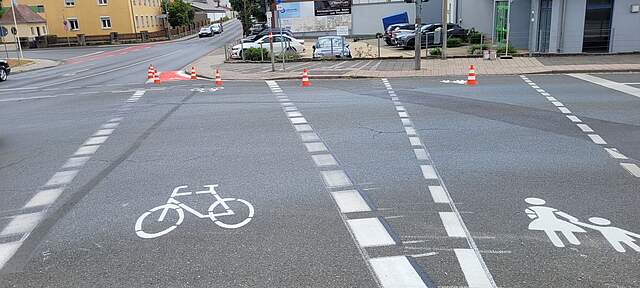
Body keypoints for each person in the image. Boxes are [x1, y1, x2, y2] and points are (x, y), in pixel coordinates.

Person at [570, 217, 640, 253]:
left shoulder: (610, 228)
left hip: (619, 237)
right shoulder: (612, 228)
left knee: (620, 245)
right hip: (619, 237)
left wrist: (576, 222)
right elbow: (631, 234)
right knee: (625, 245)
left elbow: (630, 233)